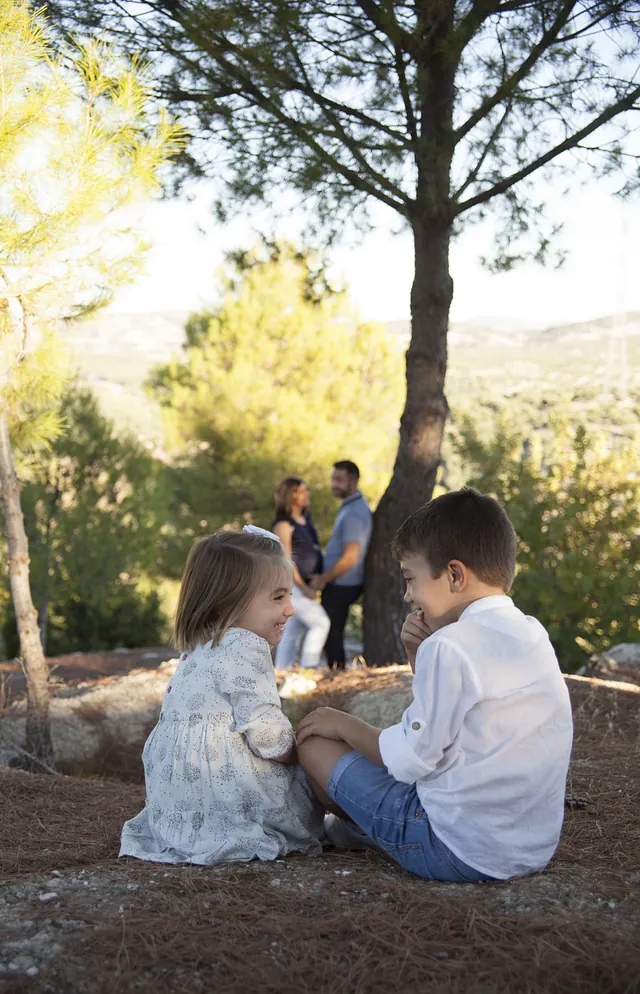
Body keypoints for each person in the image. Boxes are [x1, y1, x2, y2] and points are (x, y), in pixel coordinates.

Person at [296, 488, 574, 882]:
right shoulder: (530, 633)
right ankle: (370, 829)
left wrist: (343, 724)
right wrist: (419, 657)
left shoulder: (451, 645)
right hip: (529, 848)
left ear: (455, 575)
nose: (409, 596)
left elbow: (411, 760)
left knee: (315, 744)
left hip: (454, 847)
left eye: (411, 579)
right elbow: (450, 729)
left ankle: (374, 830)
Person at [120, 528, 323, 865]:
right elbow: (267, 735)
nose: (290, 610)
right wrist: (304, 753)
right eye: (277, 598)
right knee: (313, 774)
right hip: (228, 796)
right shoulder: (245, 646)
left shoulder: (202, 647)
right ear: (229, 603)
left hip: (182, 802)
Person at [309, 460, 372, 669]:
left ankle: (337, 675)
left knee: (331, 632)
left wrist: (323, 579)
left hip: (343, 583)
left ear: (353, 480)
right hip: (338, 582)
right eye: (333, 479)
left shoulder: (355, 512)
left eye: (339, 480)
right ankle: (336, 673)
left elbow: (351, 556)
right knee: (331, 631)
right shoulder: (350, 507)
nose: (333, 484)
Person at [272, 477, 330, 670]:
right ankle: (309, 667)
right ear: (292, 496)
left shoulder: (306, 522)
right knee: (321, 623)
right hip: (294, 587)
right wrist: (304, 587)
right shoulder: (284, 524)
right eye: (303, 491)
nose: (308, 495)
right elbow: (286, 559)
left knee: (291, 631)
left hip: (304, 584)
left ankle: (282, 670)